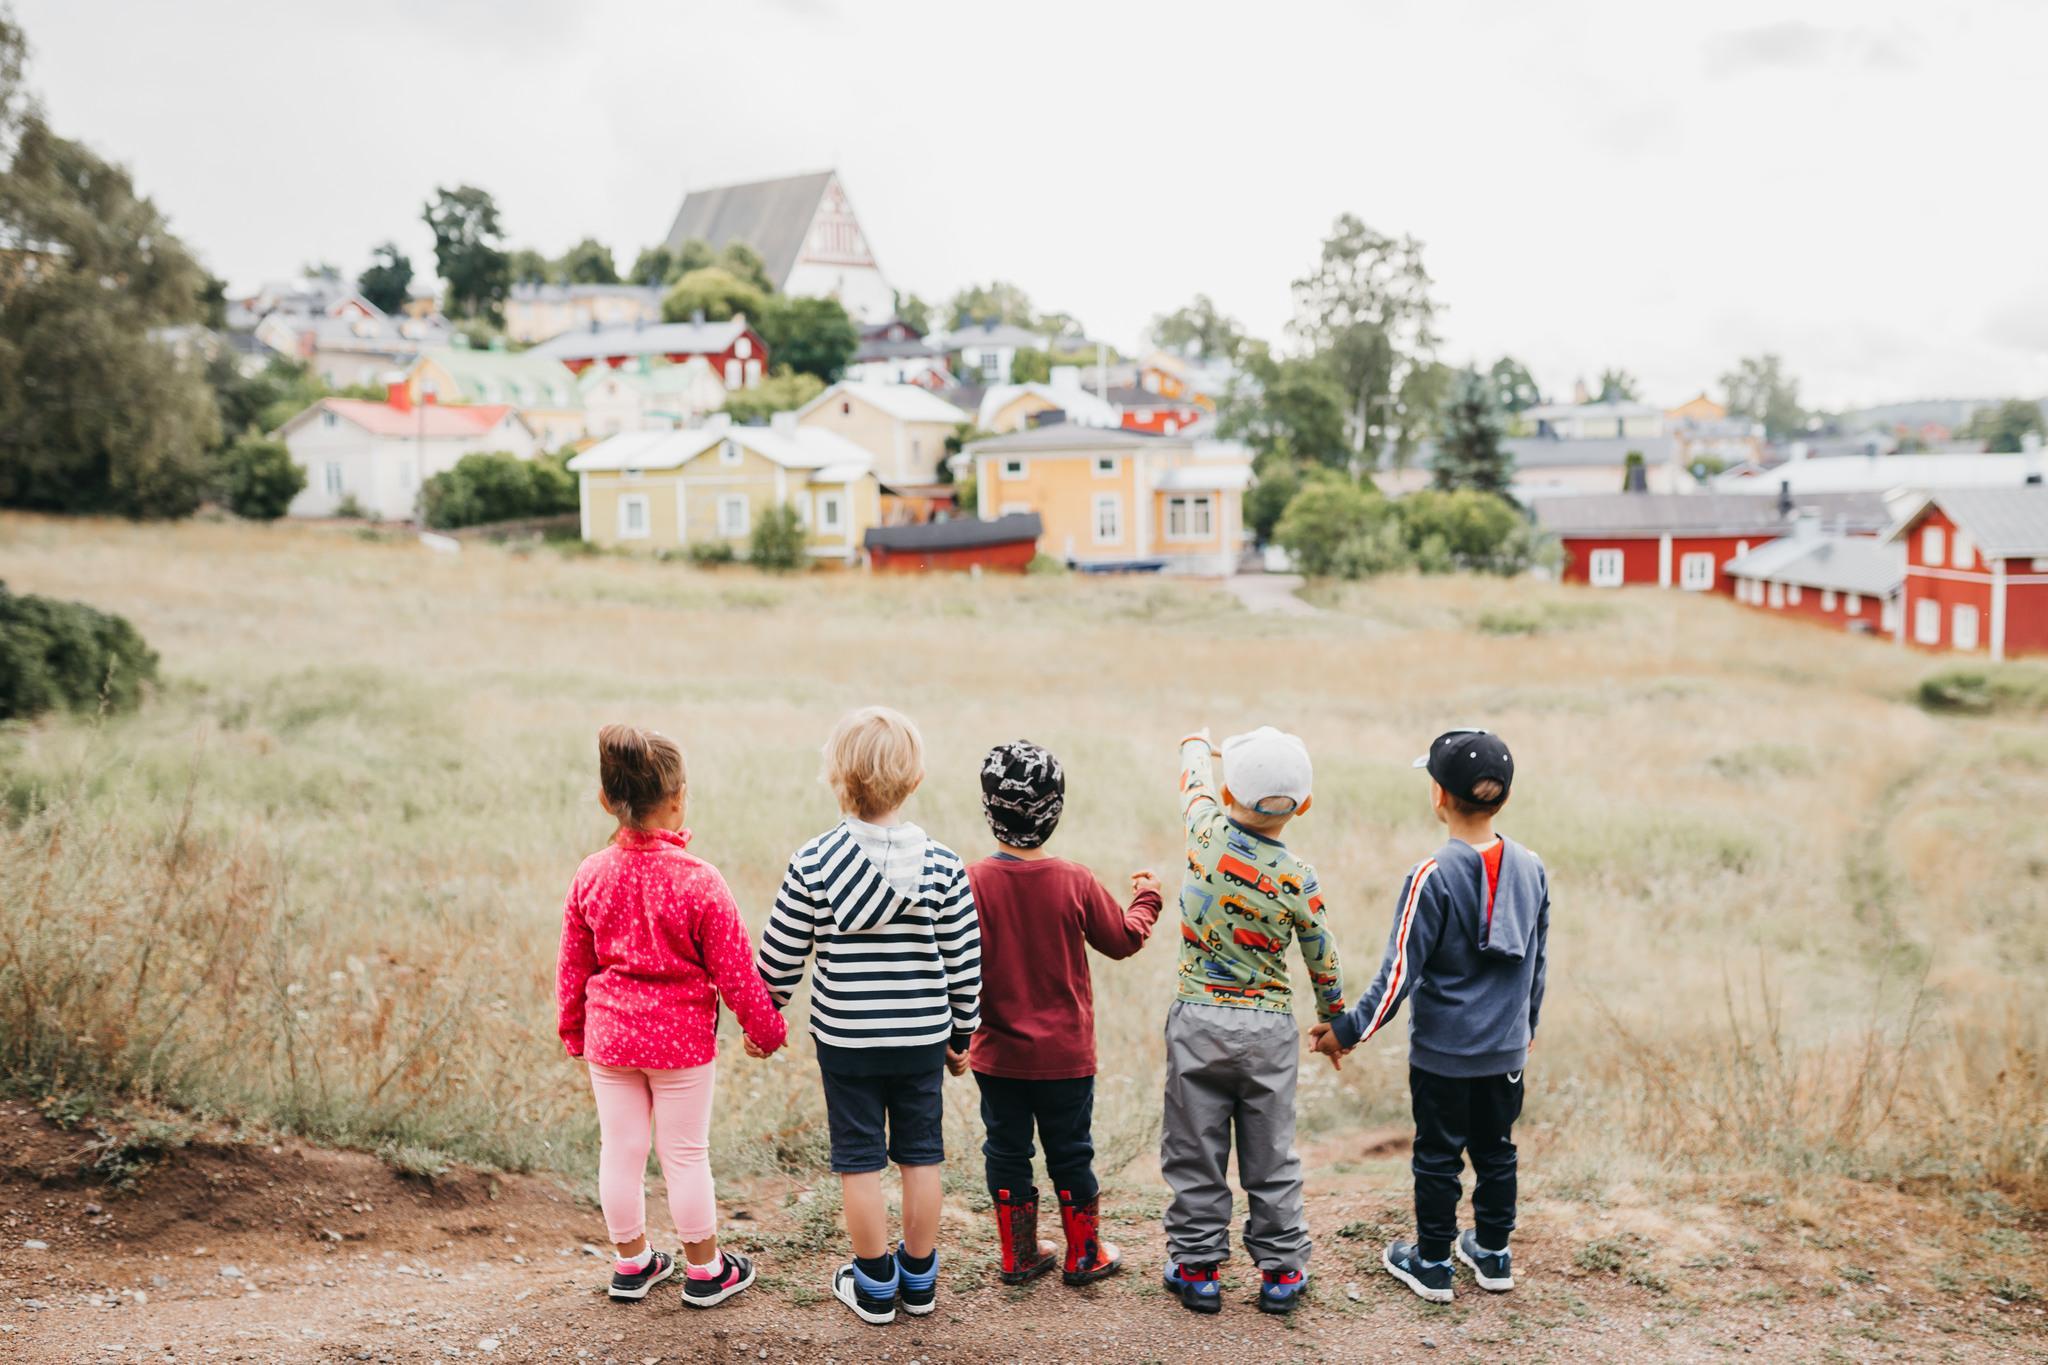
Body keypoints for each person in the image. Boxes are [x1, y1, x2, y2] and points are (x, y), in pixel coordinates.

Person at [755, 706, 982, 1326]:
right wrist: (963, 1032)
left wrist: (764, 1017)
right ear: (915, 781)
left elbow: (779, 957)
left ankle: (875, 1286)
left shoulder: (814, 863)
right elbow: (965, 961)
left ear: (836, 778)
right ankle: (921, 1280)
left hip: (848, 1039)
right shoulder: (943, 865)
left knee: (858, 1162)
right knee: (921, 1156)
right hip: (920, 1038)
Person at [1311, 728, 1550, 1304]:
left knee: (1438, 1157)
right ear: (1505, 798)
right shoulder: (1533, 868)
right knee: (1497, 1150)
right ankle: (1493, 1255)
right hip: (1505, 1053)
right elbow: (1538, 961)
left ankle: (1435, 1262)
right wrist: (1528, 1030)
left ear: (1438, 796)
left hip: (1444, 1056)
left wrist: (1346, 1029)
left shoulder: (1431, 876)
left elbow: (1399, 975)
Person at [556, 724, 787, 1308]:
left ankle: (632, 1263)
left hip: (610, 1040)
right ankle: (706, 1272)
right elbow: (736, 970)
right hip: (681, 1045)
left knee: (621, 1149)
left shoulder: (591, 874)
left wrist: (574, 1029)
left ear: (607, 800)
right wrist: (766, 1031)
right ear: (679, 798)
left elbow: (572, 965)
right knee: (684, 1154)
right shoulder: (700, 882)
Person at [1160, 726, 1345, 1316]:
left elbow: (1194, 783)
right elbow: (1322, 953)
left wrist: (1197, 744)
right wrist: (1334, 1020)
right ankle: (1283, 1272)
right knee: (1272, 1155)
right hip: (1268, 1030)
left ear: (1228, 789)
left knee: (1194, 1149)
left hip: (1199, 1021)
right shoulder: (1298, 875)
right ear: (1306, 805)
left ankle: (1197, 1269)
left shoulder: (1205, 830)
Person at [966, 740, 1162, 1288]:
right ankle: (1084, 1253)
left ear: (989, 810)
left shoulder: (971, 881)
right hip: (1066, 1060)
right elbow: (1123, 939)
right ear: (1055, 809)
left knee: (1006, 1150)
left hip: (997, 1057)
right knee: (1071, 1151)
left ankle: (1020, 1255)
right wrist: (1147, 896)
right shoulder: (1073, 880)